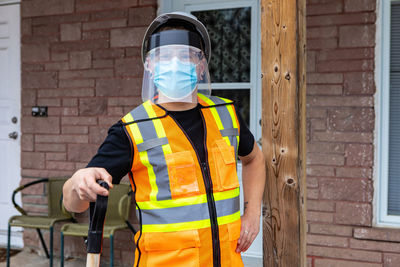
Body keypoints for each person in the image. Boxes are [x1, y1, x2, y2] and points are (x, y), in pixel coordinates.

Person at [63, 11, 266, 267]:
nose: (174, 64)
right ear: (150, 65)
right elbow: (74, 204)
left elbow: (254, 159)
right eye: (164, 56)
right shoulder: (131, 129)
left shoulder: (226, 114)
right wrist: (76, 184)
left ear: (201, 65)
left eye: (186, 56)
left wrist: (252, 213)